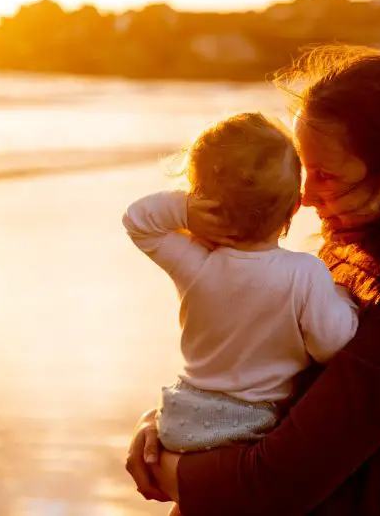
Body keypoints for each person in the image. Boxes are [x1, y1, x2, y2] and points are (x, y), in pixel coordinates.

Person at [126, 45, 380, 515]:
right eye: (303, 169)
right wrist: (166, 424)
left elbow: (271, 486)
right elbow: (271, 384)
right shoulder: (350, 252)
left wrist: (169, 468)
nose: (305, 196)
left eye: (326, 176)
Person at [122, 113, 359, 461]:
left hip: (181, 417)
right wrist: (343, 298)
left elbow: (138, 221)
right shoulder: (307, 274)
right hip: (248, 425)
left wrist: (185, 212)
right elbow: (332, 344)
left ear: (203, 198)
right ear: (295, 206)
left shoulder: (196, 263)